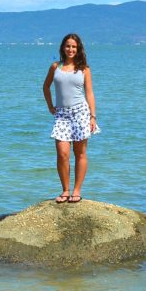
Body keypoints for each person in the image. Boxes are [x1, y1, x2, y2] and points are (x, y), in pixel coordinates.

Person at [42, 33, 99, 203]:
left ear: (78, 48)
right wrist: (50, 106)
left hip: (81, 112)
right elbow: (45, 87)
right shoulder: (55, 67)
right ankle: (65, 190)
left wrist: (93, 116)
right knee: (62, 153)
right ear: (63, 48)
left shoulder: (84, 69)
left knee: (80, 153)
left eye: (74, 46)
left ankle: (76, 190)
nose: (71, 49)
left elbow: (89, 93)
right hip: (61, 115)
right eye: (68, 46)